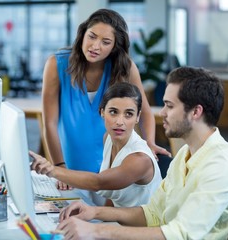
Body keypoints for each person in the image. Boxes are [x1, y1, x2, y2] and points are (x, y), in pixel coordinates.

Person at [55, 66, 228, 239]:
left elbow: (182, 234)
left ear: (196, 112)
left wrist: (96, 231)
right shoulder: (184, 154)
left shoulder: (221, 165)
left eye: (170, 106)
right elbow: (153, 214)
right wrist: (95, 213)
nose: (162, 112)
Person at [41, 8, 170, 192]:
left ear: (114, 46)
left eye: (106, 42)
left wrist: (149, 142)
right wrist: (60, 167)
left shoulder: (125, 68)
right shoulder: (56, 65)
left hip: (113, 171)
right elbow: (50, 123)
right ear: (83, 33)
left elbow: (145, 111)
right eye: (92, 36)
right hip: (71, 170)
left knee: (107, 214)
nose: (95, 46)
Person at [31, 82, 162, 207]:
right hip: (120, 222)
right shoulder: (109, 138)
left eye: (129, 114)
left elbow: (99, 182)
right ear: (102, 112)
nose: (119, 121)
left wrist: (52, 170)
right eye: (113, 112)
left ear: (137, 117)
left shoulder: (139, 159)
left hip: (143, 228)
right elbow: (114, 197)